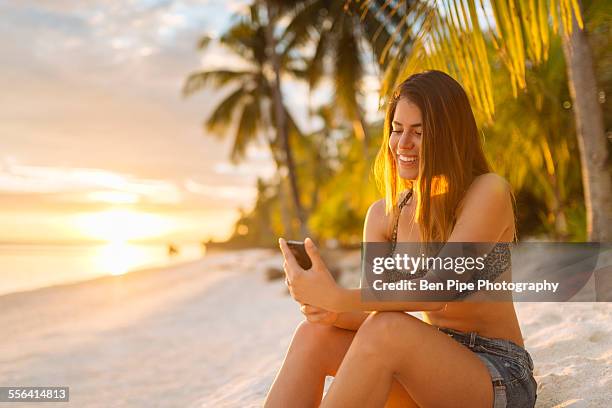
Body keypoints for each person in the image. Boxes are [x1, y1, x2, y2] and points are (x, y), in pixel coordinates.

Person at [264, 70, 537, 408]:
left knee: (389, 328)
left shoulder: (487, 191)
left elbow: (440, 289)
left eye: (419, 133)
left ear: (449, 137)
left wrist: (338, 295)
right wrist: (330, 310)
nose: (403, 144)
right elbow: (371, 310)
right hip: (424, 362)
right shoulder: (382, 217)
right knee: (313, 336)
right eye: (397, 130)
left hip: (496, 372)